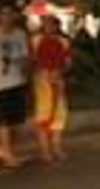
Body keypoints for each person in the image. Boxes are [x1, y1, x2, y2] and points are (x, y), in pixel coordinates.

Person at [0, 4, 32, 169]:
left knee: (16, 121)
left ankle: (3, 150)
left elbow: (25, 57)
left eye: (10, 13)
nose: (7, 16)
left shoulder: (19, 34)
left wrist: (26, 74)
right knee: (3, 120)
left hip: (17, 81)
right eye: (3, 13)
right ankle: (8, 155)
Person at [30, 13, 71, 163]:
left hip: (58, 80)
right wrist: (43, 73)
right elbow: (31, 61)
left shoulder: (63, 42)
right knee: (43, 115)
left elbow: (67, 62)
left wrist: (59, 72)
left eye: (52, 24)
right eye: (46, 24)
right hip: (42, 81)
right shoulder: (35, 40)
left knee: (59, 115)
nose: (49, 27)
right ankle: (44, 150)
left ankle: (56, 147)